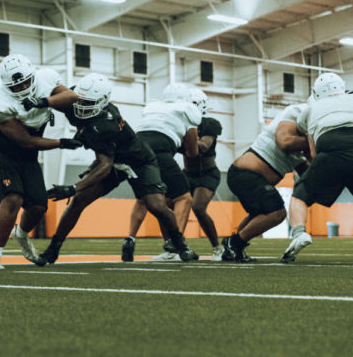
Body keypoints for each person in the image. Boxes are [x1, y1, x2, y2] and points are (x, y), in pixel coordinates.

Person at [41, 73, 197, 264]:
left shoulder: (106, 124)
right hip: (113, 158)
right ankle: (53, 249)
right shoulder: (73, 101)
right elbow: (55, 90)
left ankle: (181, 244)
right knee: (79, 201)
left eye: (89, 103)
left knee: (156, 205)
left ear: (103, 102)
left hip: (139, 161)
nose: (82, 106)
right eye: (81, 100)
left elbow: (105, 165)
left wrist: (73, 187)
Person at [0, 54, 80, 269]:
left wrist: (44, 101)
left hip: (28, 156)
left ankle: (21, 234)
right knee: (13, 198)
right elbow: (26, 141)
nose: (23, 87)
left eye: (26, 82)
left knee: (38, 206)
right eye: (16, 86)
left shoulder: (46, 78)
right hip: (2, 151)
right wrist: (61, 143)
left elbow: (72, 96)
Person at [121, 83, 201, 262]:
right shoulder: (187, 110)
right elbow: (192, 152)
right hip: (159, 149)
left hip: (134, 147)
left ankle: (130, 238)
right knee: (184, 198)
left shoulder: (153, 107)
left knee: (143, 199)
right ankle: (176, 242)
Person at [221, 102, 310, 263]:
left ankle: (233, 248)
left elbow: (307, 173)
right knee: (277, 213)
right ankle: (233, 243)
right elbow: (285, 142)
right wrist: (313, 141)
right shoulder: (296, 114)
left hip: (248, 176)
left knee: (259, 214)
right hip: (246, 174)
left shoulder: (306, 136)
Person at [282, 72, 353, 262]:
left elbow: (313, 153)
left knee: (300, 195)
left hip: (330, 148)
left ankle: (299, 234)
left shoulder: (309, 109)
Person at [183, 88, 224, 260]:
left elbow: (204, 146)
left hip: (207, 174)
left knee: (198, 208)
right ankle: (176, 247)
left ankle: (217, 247)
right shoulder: (180, 123)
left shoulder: (208, 123)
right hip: (187, 173)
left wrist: (184, 138)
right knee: (168, 205)